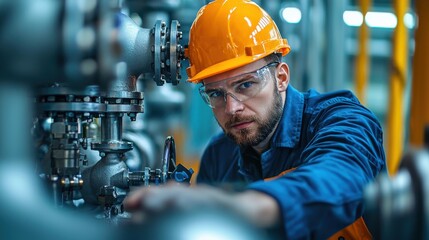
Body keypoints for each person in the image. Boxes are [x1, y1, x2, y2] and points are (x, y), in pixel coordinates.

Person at [124, 0, 386, 239]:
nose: (232, 107)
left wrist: (233, 206)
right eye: (216, 93)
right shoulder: (219, 157)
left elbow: (340, 176)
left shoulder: (342, 119)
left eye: (246, 85)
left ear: (281, 77)